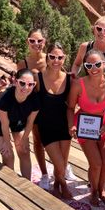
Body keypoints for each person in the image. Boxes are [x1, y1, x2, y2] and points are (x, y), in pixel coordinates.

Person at [71, 15, 105, 196]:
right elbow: (77, 63)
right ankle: (94, 175)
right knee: (93, 139)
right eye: (99, 29)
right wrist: (73, 76)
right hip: (90, 99)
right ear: (94, 29)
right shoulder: (85, 47)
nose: (102, 33)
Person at [17, 29, 76, 189]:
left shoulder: (50, 58)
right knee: (37, 141)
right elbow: (22, 87)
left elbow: (60, 77)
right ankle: (44, 174)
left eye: (39, 41)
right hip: (36, 109)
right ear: (27, 42)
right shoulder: (23, 63)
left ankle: (62, 169)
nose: (36, 44)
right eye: (32, 41)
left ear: (45, 42)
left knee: (59, 147)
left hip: (53, 111)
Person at [68, 49, 105, 206]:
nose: (93, 68)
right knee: (96, 163)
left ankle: (102, 190)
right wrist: (72, 126)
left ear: (104, 64)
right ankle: (94, 192)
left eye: (97, 64)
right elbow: (70, 108)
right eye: (89, 65)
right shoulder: (78, 84)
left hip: (104, 123)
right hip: (84, 124)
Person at [35, 42, 72, 199]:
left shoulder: (70, 79)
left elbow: (71, 106)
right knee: (58, 161)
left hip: (64, 127)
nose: (56, 60)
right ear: (47, 57)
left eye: (60, 57)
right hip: (46, 127)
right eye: (52, 57)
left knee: (63, 162)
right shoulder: (37, 78)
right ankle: (64, 185)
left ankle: (57, 183)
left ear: (64, 58)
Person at [0, 68, 40, 179]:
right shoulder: (4, 98)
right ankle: (10, 185)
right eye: (22, 83)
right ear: (16, 82)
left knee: (24, 150)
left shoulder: (35, 99)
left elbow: (30, 123)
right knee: (8, 155)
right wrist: (7, 143)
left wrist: (24, 139)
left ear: (34, 84)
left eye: (30, 84)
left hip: (18, 120)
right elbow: (4, 125)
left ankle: (27, 183)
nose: (26, 88)